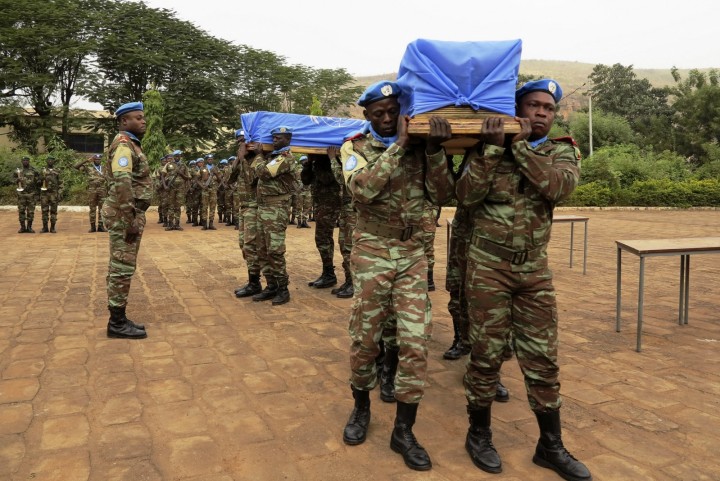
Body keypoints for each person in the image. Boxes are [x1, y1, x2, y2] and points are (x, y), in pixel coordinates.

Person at [456, 79, 591, 481]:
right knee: (486, 354)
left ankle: (550, 446)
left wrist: (516, 145)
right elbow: (465, 197)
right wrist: (496, 147)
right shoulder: (484, 147)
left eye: (548, 108)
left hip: (534, 270)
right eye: (533, 105)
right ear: (516, 109)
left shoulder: (561, 150)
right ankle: (478, 433)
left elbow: (557, 186)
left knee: (543, 358)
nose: (541, 113)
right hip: (487, 267)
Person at [340, 80, 454, 471]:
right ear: (367, 116)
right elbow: (362, 190)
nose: (387, 119)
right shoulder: (354, 147)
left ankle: (403, 431)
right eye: (379, 114)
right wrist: (400, 145)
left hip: (411, 254)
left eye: (392, 111)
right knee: (365, 337)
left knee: (415, 340)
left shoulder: (424, 147)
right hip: (372, 250)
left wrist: (434, 150)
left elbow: (443, 193)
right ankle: (360, 408)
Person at [100, 101, 150, 339]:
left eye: (143, 117)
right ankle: (116, 323)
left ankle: (118, 316)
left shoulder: (129, 144)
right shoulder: (123, 145)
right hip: (124, 216)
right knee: (122, 267)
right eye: (138, 118)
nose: (143, 121)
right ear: (123, 122)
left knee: (120, 266)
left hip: (125, 214)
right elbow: (122, 182)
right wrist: (130, 218)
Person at [251, 126, 297, 306]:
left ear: (288, 139)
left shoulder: (286, 158)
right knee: (262, 249)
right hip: (264, 208)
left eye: (278, 138)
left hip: (276, 209)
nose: (274, 140)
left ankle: (283, 289)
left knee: (275, 250)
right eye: (273, 138)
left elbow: (264, 172)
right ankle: (270, 286)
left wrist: (259, 156)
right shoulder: (273, 158)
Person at [231, 129, 265, 298]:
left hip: (254, 207)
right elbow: (228, 178)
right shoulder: (242, 160)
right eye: (239, 142)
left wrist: (245, 158)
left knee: (251, 245)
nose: (241, 144)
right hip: (243, 207)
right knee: (243, 245)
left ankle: (255, 283)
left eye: (244, 141)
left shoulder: (258, 160)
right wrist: (238, 158)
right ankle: (253, 280)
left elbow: (252, 180)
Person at [301, 152, 341, 289]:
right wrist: (308, 165)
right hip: (320, 205)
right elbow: (305, 181)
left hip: (330, 204)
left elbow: (327, 179)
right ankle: (327, 272)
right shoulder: (315, 163)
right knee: (322, 239)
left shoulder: (330, 162)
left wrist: (321, 162)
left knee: (323, 238)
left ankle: (329, 274)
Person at [328, 144, 357, 298]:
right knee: (344, 245)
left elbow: (342, 178)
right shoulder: (349, 159)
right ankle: (348, 280)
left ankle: (354, 283)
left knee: (350, 247)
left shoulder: (357, 160)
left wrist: (333, 159)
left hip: (353, 211)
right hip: (346, 211)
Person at [75, 153, 108, 232]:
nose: (97, 161)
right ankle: (92, 226)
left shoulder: (104, 168)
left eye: (99, 159)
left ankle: (100, 226)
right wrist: (86, 160)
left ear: (101, 160)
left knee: (102, 209)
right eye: (96, 159)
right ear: (93, 160)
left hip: (102, 190)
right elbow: (76, 167)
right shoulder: (88, 168)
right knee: (92, 208)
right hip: (92, 190)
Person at [162, 150, 189, 230]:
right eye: (176, 156)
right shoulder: (168, 165)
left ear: (180, 157)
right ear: (174, 157)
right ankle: (170, 224)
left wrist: (181, 173)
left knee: (178, 206)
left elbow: (188, 178)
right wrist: (165, 186)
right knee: (170, 205)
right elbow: (163, 176)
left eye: (179, 156)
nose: (177, 157)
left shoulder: (184, 166)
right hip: (171, 188)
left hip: (180, 189)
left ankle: (177, 224)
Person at [14, 156, 40, 233]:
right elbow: (12, 179)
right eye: (24, 160)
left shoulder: (34, 170)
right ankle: (22, 227)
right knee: (21, 211)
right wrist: (16, 180)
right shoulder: (18, 171)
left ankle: (29, 227)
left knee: (30, 211)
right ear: (22, 161)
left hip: (31, 194)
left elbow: (39, 181)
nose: (25, 161)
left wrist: (38, 181)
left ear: (29, 161)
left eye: (26, 160)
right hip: (21, 194)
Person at [39, 156, 63, 233]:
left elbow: (61, 183)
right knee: (44, 211)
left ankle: (52, 227)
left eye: (51, 160)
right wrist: (41, 180)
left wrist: (59, 193)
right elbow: (37, 182)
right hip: (44, 193)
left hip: (54, 193)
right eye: (48, 160)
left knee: (53, 211)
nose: (50, 161)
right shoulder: (42, 170)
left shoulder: (57, 170)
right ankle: (45, 227)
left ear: (53, 161)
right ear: (46, 161)